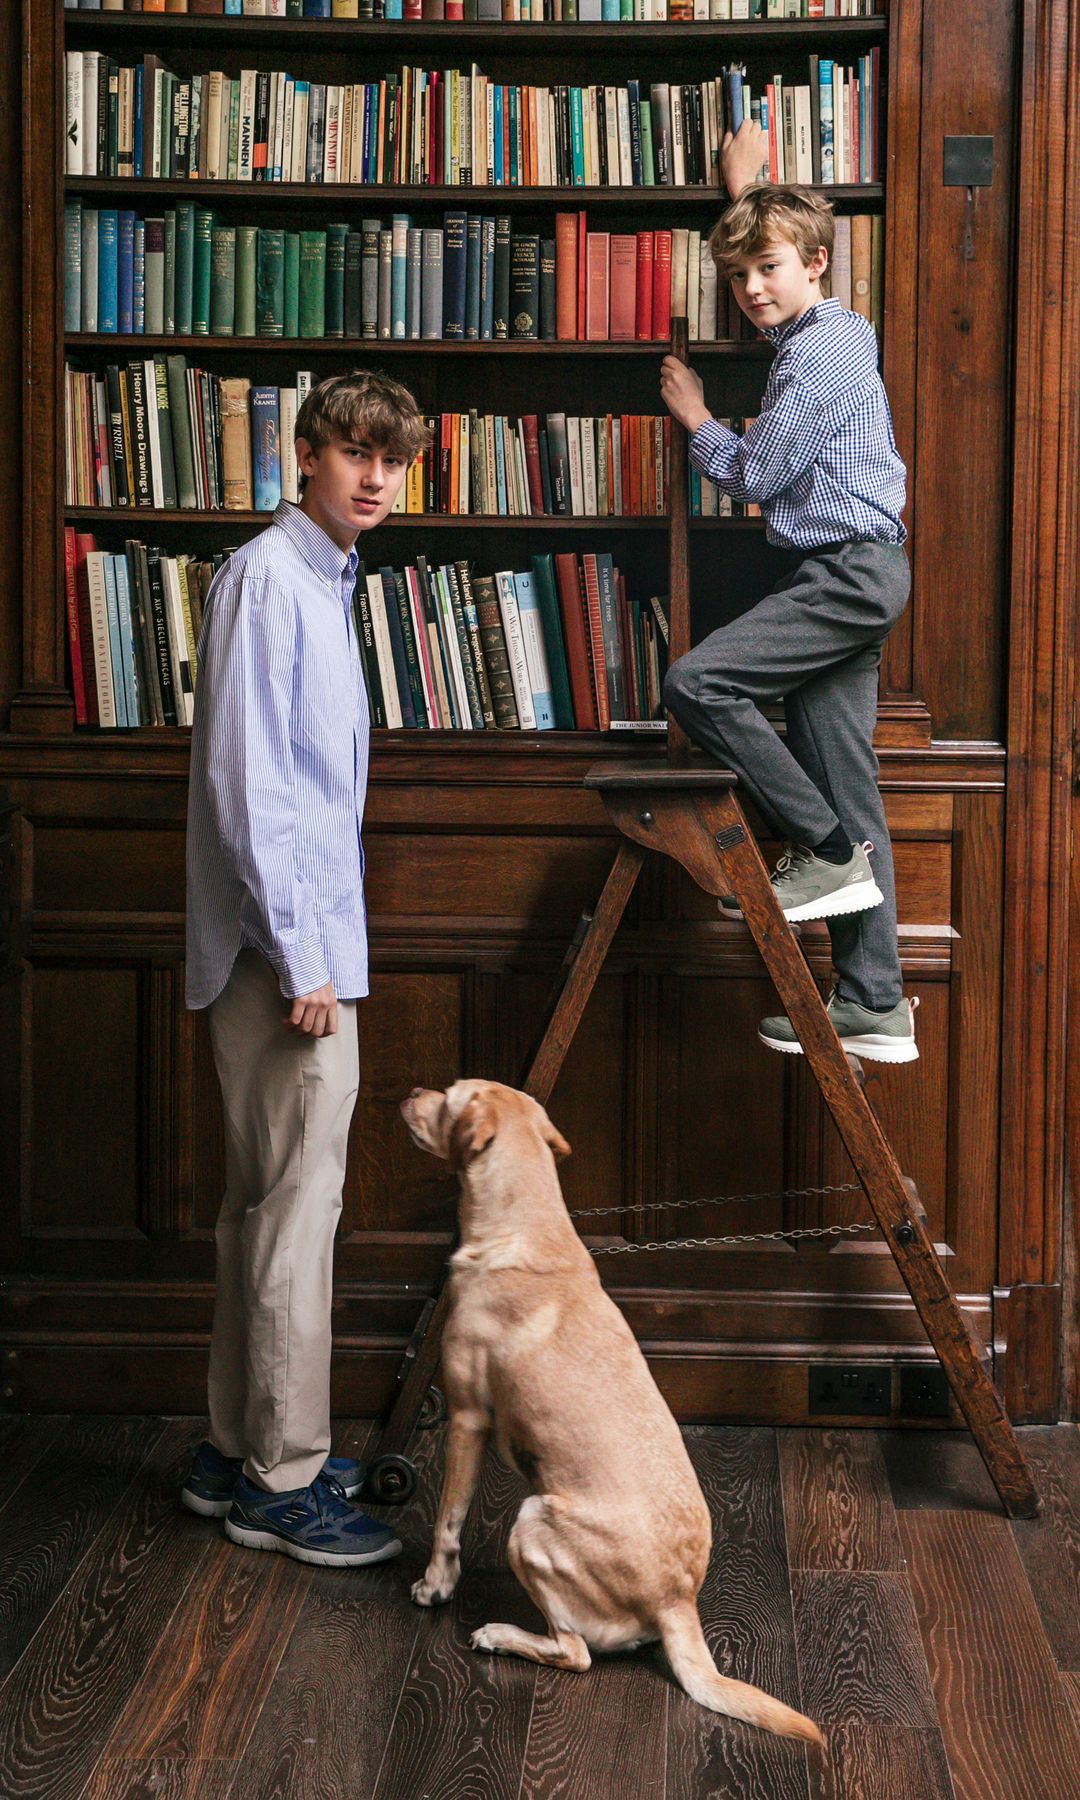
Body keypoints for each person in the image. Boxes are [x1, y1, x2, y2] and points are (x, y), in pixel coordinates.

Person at [181, 370, 429, 1563]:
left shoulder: (321, 581)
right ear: (307, 457)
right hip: (289, 958)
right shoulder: (270, 581)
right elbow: (249, 790)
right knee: (294, 1217)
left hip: (296, 948)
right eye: (353, 452)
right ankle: (280, 1486)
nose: (376, 476)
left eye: (394, 457)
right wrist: (302, 955)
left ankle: (237, 1446)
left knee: (262, 1209)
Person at [659, 122, 917, 1065]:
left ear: (815, 264)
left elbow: (760, 471)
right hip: (848, 571)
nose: (751, 289)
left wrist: (694, 420)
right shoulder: (815, 336)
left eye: (766, 269)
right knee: (852, 787)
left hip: (848, 570)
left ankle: (825, 852)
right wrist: (747, 187)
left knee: (697, 683)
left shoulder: (826, 346)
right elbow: (773, 228)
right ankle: (877, 1002)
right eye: (737, 278)